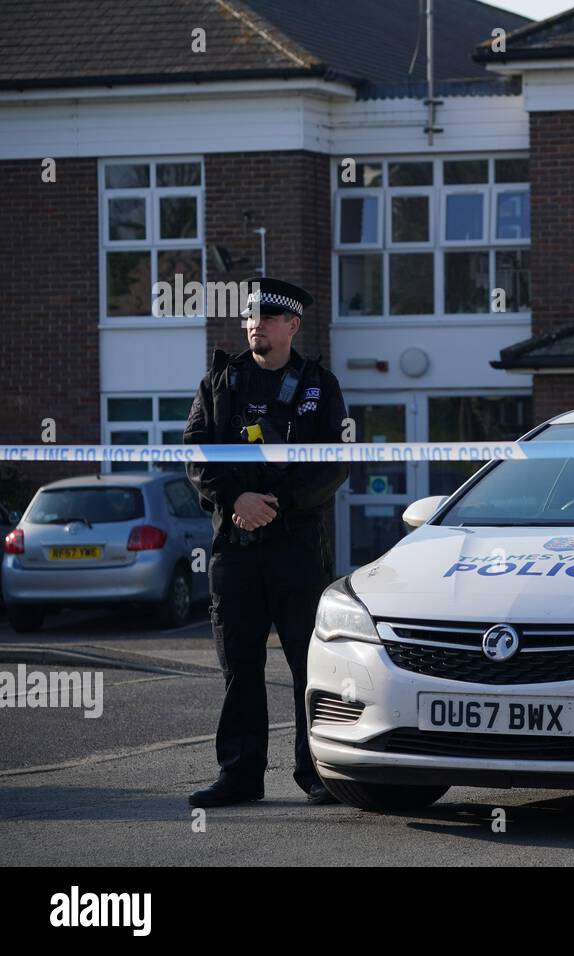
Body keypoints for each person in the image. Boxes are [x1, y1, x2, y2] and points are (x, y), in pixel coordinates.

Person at [183, 277, 349, 807]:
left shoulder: (320, 384)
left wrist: (278, 506)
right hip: (235, 545)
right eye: (249, 317)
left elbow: (338, 462)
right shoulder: (220, 382)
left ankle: (317, 773)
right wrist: (237, 503)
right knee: (239, 664)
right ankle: (239, 775)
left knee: (309, 664)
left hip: (298, 546)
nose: (254, 324)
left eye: (267, 317)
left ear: (292, 325)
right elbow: (196, 454)